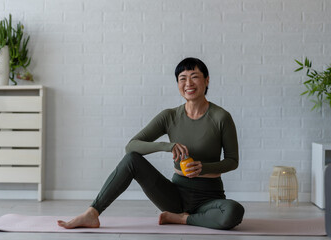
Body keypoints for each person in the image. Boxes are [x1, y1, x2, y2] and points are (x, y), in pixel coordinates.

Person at [57, 57, 245, 230]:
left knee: (234, 212)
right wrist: (167, 146)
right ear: (178, 83)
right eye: (182, 78)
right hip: (174, 196)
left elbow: (232, 160)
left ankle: (181, 219)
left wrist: (203, 168)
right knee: (132, 159)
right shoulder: (169, 116)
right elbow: (131, 146)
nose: (188, 83)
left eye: (194, 77)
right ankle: (92, 213)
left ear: (207, 80)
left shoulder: (221, 117)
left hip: (209, 198)